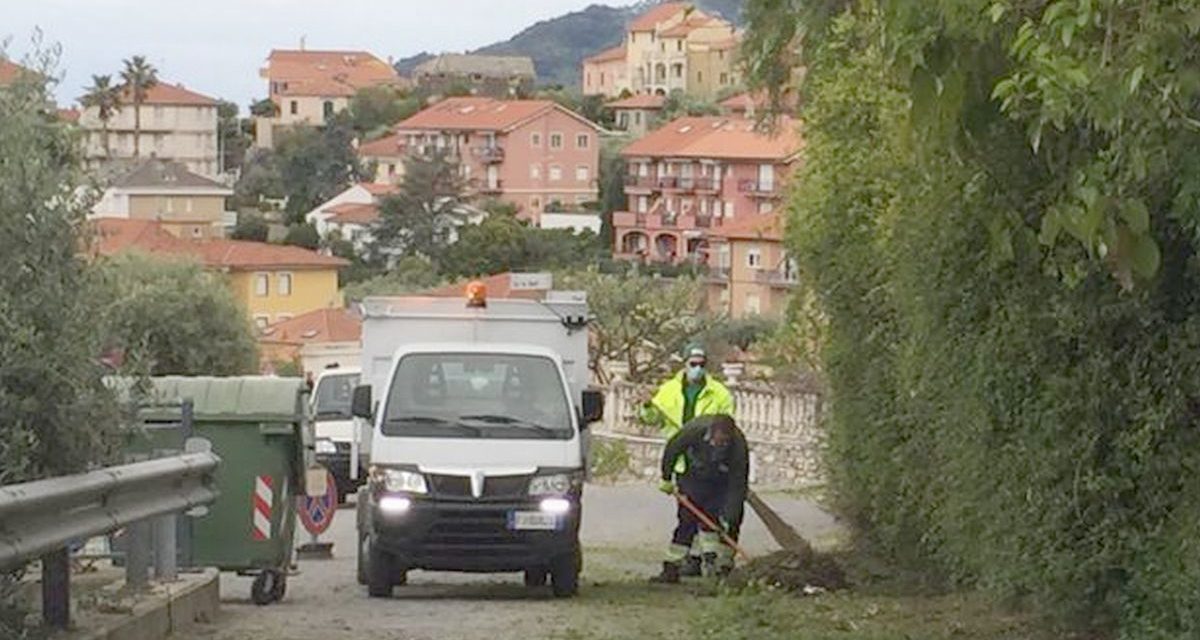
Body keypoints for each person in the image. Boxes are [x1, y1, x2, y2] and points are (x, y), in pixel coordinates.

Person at [642, 344, 735, 575]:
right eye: (693, 364)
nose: (697, 369)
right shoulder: (668, 391)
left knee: (707, 514)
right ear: (684, 364)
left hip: (710, 462)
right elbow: (653, 419)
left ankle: (701, 561)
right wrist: (647, 406)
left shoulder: (720, 394)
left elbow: (727, 427)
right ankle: (689, 561)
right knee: (688, 514)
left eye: (702, 365)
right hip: (683, 462)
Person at [651, 414, 749, 583]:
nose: (720, 446)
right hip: (693, 476)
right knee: (687, 520)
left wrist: (730, 515)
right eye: (717, 441)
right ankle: (672, 568)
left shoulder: (738, 446)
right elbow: (673, 449)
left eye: (724, 443)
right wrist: (666, 477)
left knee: (727, 522)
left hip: (722, 481)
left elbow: (738, 484)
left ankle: (723, 568)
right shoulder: (694, 430)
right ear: (711, 433)